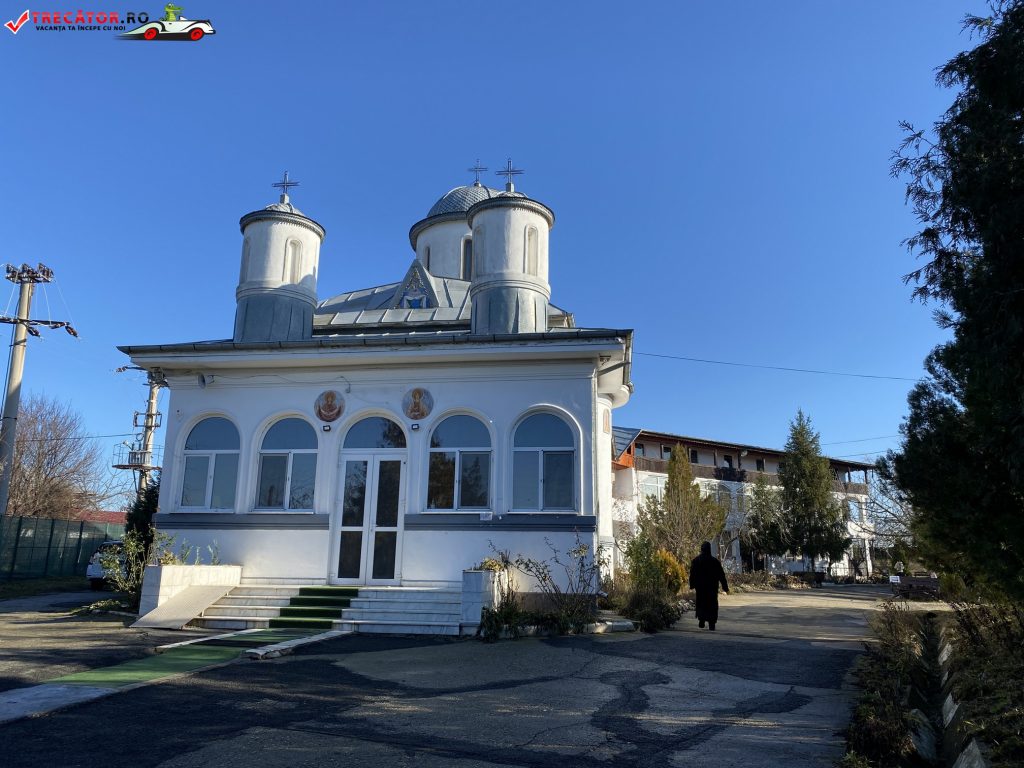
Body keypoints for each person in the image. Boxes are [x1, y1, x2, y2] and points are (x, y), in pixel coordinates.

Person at [689, 541, 729, 631]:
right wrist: (725, 587)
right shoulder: (715, 562)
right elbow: (721, 575)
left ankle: (701, 619)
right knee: (712, 604)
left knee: (701, 603)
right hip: (712, 588)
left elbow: (692, 574)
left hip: (700, 588)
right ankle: (712, 623)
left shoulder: (696, 561)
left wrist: (692, 585)